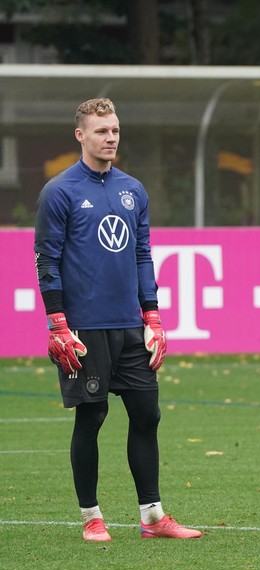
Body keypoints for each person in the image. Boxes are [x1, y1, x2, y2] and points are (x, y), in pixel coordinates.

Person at [34, 98, 201, 541]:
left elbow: (143, 254)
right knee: (92, 417)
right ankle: (92, 516)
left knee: (147, 416)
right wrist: (57, 323)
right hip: (84, 329)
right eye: (102, 131)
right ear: (81, 135)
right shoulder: (60, 191)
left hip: (130, 326)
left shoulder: (133, 190)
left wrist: (153, 316)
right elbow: (46, 260)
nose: (110, 138)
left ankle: (152, 517)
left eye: (115, 130)